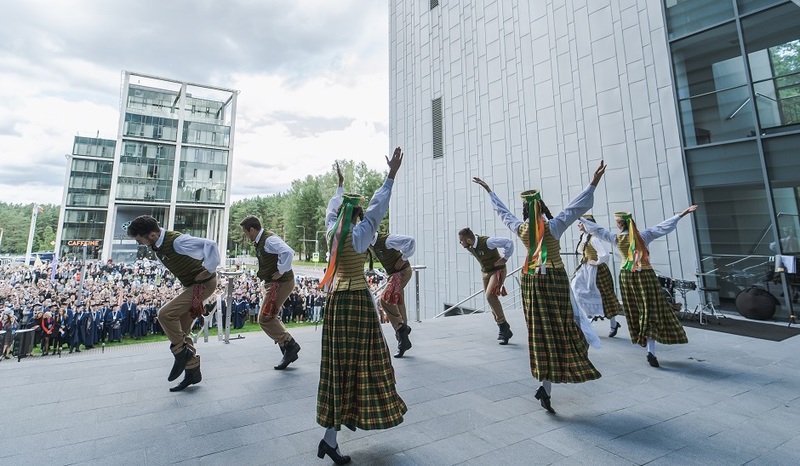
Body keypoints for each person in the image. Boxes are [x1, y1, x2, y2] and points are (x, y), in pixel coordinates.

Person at [472, 159, 606, 414]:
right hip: (554, 280)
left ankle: (545, 386)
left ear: (525, 212)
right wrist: (594, 182)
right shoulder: (555, 226)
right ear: (543, 207)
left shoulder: (521, 229)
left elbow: (503, 214)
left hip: (531, 282)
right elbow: (576, 207)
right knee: (565, 328)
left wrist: (489, 191)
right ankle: (554, 379)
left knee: (541, 333)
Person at [316, 149, 408, 464]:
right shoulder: (360, 234)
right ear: (356, 215)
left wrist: (340, 187)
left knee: (336, 367)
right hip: (355, 303)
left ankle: (332, 436)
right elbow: (378, 209)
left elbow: (332, 209)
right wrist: (391, 175)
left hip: (334, 303)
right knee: (367, 361)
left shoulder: (331, 230)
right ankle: (337, 432)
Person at [581, 206, 697, 367]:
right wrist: (682, 214)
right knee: (650, 309)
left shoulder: (616, 238)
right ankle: (651, 350)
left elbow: (597, 230)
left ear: (620, 224)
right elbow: (663, 227)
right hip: (645, 275)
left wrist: (578, 217)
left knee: (636, 309)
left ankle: (645, 343)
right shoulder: (643, 236)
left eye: (617, 222)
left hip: (627, 277)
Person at [127, 215, 220, 392]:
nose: (140, 244)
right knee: (181, 331)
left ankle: (182, 353)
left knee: (165, 314)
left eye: (140, 240)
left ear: (152, 235)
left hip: (203, 285)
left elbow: (211, 244)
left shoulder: (177, 241)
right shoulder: (158, 245)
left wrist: (209, 268)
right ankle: (193, 371)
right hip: (192, 286)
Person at [239, 215, 302, 370]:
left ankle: (289, 345)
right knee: (269, 316)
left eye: (245, 232)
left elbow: (288, 251)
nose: (245, 236)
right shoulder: (263, 240)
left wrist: (281, 270)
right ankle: (286, 347)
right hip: (276, 284)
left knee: (265, 318)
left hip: (281, 283)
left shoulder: (268, 240)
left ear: (252, 230)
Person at [457, 227, 514, 344]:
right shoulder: (470, 246)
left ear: (468, 240)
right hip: (485, 272)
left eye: (461, 240)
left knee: (490, 296)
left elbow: (509, 242)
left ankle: (503, 326)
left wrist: (505, 258)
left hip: (498, 271)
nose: (460, 243)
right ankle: (503, 329)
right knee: (490, 300)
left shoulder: (488, 242)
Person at [571, 214, 623, 337]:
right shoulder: (584, 236)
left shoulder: (594, 238)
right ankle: (588, 319)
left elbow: (604, 254)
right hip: (585, 269)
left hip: (596, 271)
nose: (579, 225)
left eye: (581, 223)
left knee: (605, 297)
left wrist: (596, 261)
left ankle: (613, 324)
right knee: (576, 291)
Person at [368, 228, 416, 358]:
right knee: (398, 304)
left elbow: (410, 241)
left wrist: (403, 258)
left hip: (402, 272)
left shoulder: (386, 240)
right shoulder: (371, 243)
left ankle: (402, 331)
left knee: (385, 299)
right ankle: (403, 339)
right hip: (394, 275)